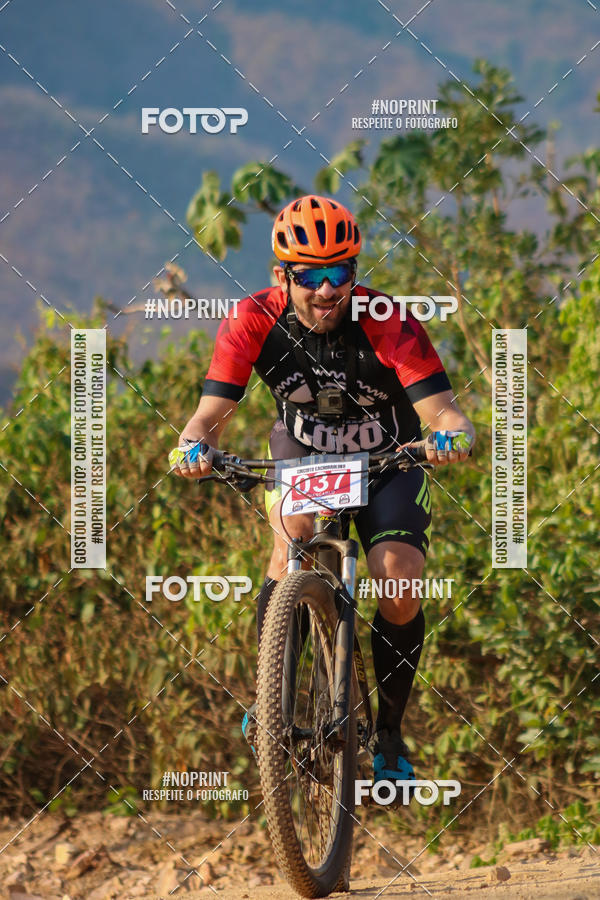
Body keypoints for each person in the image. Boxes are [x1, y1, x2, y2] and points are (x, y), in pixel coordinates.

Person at [172, 194, 475, 787]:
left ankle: (388, 735)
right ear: (281, 277)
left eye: (340, 275)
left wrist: (454, 437)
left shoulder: (387, 320)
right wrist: (191, 446)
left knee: (399, 578)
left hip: (389, 460)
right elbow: (208, 415)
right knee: (290, 551)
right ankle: (272, 699)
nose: (327, 291)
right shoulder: (252, 319)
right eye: (310, 277)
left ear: (355, 275)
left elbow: (446, 414)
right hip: (305, 453)